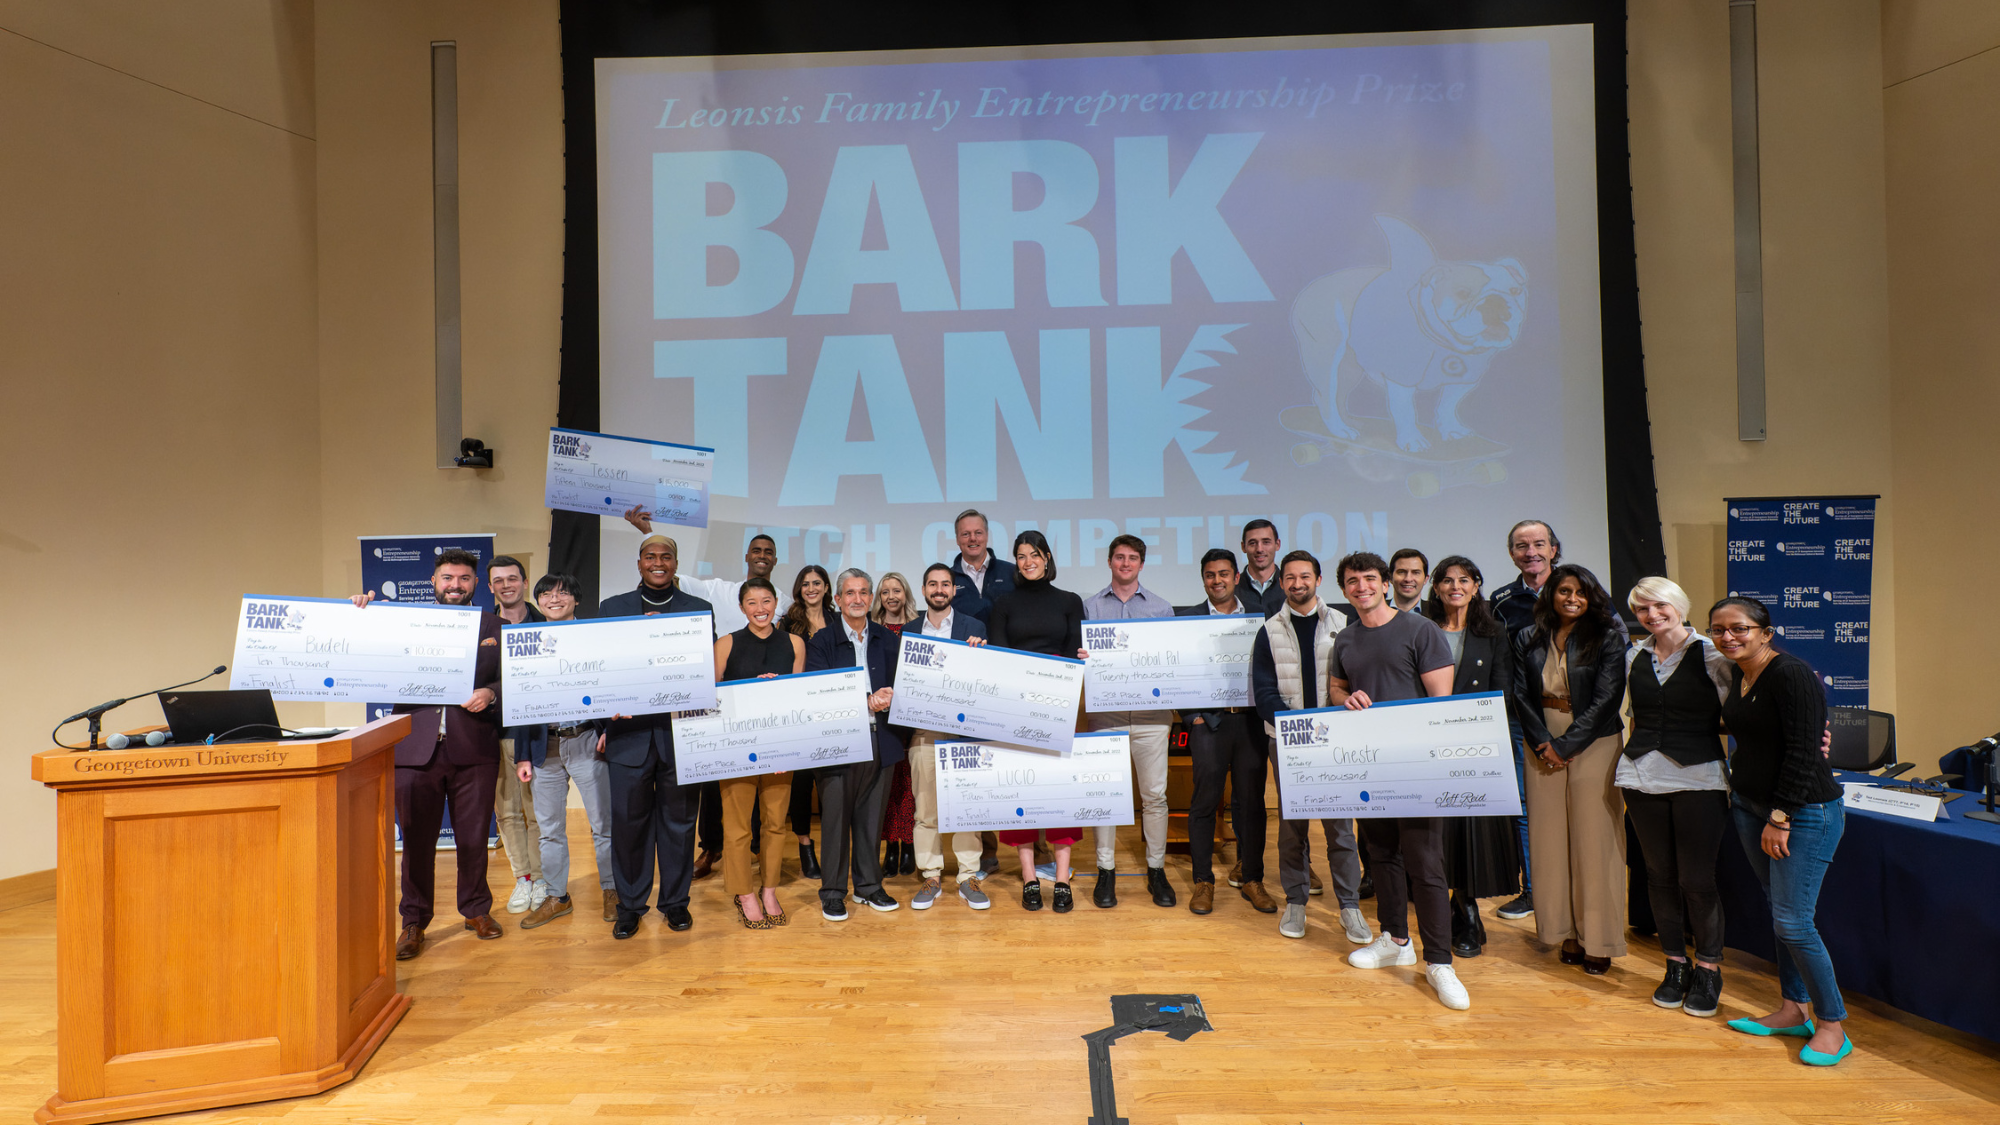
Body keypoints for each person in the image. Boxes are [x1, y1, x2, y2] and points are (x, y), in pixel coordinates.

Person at [1712, 596, 1852, 1065]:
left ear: (1766, 632)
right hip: (1751, 806)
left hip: (1801, 810)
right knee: (1781, 914)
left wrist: (1781, 816)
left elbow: (1804, 751)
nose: (1728, 637)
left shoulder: (1790, 674)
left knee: (1794, 921)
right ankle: (1794, 1009)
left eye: (1739, 628)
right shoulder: (1739, 672)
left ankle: (1832, 1025)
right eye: (1719, 630)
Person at [1327, 552, 1467, 1010]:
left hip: (1416, 765)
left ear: (1386, 584)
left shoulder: (1419, 629)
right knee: (1382, 855)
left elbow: (1439, 700)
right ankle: (1395, 940)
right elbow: (1336, 688)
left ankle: (1440, 962)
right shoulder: (1344, 639)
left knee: (1425, 863)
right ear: (1344, 590)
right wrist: (1348, 699)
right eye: (1352, 581)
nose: (1361, 587)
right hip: (1370, 766)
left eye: (1370, 579)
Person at [350, 549, 505, 960]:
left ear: (476, 584)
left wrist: (491, 692)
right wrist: (360, 613)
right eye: (448, 578)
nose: (456, 585)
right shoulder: (401, 625)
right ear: (433, 582)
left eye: (464, 579)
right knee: (417, 842)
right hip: (415, 751)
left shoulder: (496, 627)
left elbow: (515, 680)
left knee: (474, 839)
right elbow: (362, 649)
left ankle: (476, 911)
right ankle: (413, 922)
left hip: (474, 749)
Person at [620, 514, 790, 882]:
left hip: (768, 706)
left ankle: (759, 858)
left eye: (769, 552)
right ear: (747, 556)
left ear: (775, 561)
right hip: (722, 699)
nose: (762, 555)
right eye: (756, 550)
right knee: (719, 792)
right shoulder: (718, 590)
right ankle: (713, 850)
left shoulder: (786, 601)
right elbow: (670, 575)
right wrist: (649, 534)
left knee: (768, 792)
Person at [1621, 577, 1732, 1017]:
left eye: (1659, 605)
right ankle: (1675, 966)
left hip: (1699, 778)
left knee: (1697, 881)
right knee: (1658, 875)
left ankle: (1708, 969)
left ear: (1679, 605)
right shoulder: (1635, 654)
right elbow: (1635, 715)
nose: (1652, 615)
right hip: (1640, 777)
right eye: (1643, 609)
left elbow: (1737, 712)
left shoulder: (1712, 654)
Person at [1510, 563, 1629, 974]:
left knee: (1594, 842)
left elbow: (1607, 698)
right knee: (1549, 841)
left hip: (1593, 741)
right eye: (1564, 591)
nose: (1572, 598)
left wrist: (1566, 745)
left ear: (1591, 596)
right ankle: (1566, 932)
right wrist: (1544, 741)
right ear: (1551, 595)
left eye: (1581, 591)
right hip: (1540, 740)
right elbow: (1520, 694)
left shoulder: (1609, 637)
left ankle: (1599, 937)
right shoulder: (1529, 636)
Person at [1249, 550, 1372, 944]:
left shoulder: (1346, 623)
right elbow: (1264, 691)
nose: (1297, 583)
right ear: (1281, 582)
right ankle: (1296, 900)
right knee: (1292, 826)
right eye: (1290, 577)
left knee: (1340, 830)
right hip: (1288, 743)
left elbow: (1356, 682)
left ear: (1318, 580)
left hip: (1337, 743)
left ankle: (1349, 906)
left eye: (1305, 576)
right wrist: (1296, 729)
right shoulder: (1268, 630)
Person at [598, 534, 714, 939]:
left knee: (680, 824)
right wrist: (602, 722)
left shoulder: (698, 611)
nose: (658, 562)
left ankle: (676, 903)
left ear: (676, 563)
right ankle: (630, 905)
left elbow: (704, 672)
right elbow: (600, 671)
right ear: (639, 563)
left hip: (680, 735)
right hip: (628, 737)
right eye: (651, 556)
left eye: (666, 556)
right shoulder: (612, 610)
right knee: (629, 824)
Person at [1422, 556, 1523, 958]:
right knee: (1438, 830)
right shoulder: (1421, 629)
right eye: (1446, 581)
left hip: (1476, 746)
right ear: (1436, 588)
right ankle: (1446, 908)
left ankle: (1466, 911)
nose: (1455, 587)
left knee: (1471, 830)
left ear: (1477, 585)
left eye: (1464, 580)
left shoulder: (1493, 632)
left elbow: (1504, 690)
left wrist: (1470, 728)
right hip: (1429, 745)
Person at [510, 573, 617, 931]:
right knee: (550, 829)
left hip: (588, 739)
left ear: (575, 599)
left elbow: (612, 686)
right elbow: (521, 701)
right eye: (546, 594)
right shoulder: (527, 643)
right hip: (546, 748)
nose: (554, 599)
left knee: (603, 824)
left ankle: (612, 890)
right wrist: (522, 754)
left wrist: (609, 731)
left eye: (563, 593)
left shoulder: (594, 640)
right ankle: (557, 896)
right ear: (537, 600)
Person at [987, 530, 1085, 912]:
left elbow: (1076, 655)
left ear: (1047, 557)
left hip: (1060, 706)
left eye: (1034, 554)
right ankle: (1029, 876)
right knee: (1020, 792)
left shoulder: (1070, 601)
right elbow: (999, 657)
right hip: (1015, 709)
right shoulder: (1003, 603)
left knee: (1061, 792)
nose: (1028, 561)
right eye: (1021, 555)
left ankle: (1061, 879)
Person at [804, 568, 908, 920]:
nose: (858, 599)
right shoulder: (820, 642)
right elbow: (819, 694)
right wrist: (866, 701)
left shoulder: (887, 638)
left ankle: (868, 886)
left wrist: (896, 696)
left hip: (882, 740)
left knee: (870, 820)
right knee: (834, 819)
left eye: (864, 592)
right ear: (838, 600)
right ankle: (833, 891)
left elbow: (903, 684)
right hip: (839, 743)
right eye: (850, 593)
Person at [1081, 534, 1179, 909]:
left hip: (1152, 717)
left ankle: (1156, 869)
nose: (1125, 563)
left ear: (1141, 564)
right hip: (1106, 715)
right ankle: (1106, 871)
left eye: (1132, 558)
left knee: (1155, 796)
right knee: (1104, 795)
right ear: (1109, 562)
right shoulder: (1090, 608)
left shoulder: (1162, 608)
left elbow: (1171, 662)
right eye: (1119, 557)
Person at [1175, 549, 1267, 917]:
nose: (1217, 581)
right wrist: (1191, 716)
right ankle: (1203, 881)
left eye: (1224, 574)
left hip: (1248, 722)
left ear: (1236, 577)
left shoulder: (1259, 620)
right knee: (1203, 802)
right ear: (1203, 580)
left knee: (1252, 804)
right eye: (1210, 575)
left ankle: (1252, 877)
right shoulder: (1188, 620)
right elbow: (1176, 672)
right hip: (1208, 723)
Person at [714, 577, 807, 929]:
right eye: (751, 602)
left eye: (766, 600)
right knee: (738, 827)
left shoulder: (794, 643)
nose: (760, 608)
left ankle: (769, 889)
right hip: (737, 746)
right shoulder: (726, 643)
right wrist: (750, 691)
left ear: (775, 603)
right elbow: (713, 698)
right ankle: (744, 892)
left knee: (775, 824)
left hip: (780, 746)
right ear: (741, 608)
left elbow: (799, 695)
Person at [905, 563, 993, 911]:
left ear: (954, 590)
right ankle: (930, 874)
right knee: (926, 809)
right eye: (932, 584)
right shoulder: (910, 631)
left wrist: (980, 654)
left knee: (967, 808)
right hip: (923, 732)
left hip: (964, 732)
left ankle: (969, 874)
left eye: (945, 584)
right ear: (924, 589)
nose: (939, 589)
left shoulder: (975, 628)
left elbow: (988, 679)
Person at [1489, 519, 1559, 921]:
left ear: (1553, 548)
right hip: (1518, 720)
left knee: (1573, 807)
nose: (1530, 552)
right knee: (1522, 807)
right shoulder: (1500, 602)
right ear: (1512, 553)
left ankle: (1571, 889)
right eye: (1520, 545)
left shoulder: (1578, 589)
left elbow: (1612, 647)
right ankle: (1532, 890)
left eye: (1538, 544)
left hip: (1572, 719)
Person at [486, 555, 548, 915]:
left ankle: (541, 878)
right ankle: (522, 879)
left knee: (537, 811)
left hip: (536, 733)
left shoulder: (545, 622)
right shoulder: (482, 626)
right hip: (493, 732)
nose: (506, 585)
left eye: (512, 578)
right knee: (507, 812)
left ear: (525, 582)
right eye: (499, 580)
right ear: (491, 586)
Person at [781, 564, 835, 879]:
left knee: (830, 784)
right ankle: (805, 845)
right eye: (805, 584)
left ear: (827, 587)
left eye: (817, 583)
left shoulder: (839, 621)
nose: (811, 588)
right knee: (801, 784)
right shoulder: (787, 623)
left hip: (831, 715)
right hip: (799, 716)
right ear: (799, 589)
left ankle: (832, 847)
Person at [872, 572, 920, 879]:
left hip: (914, 716)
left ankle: (912, 847)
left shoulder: (919, 628)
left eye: (896, 590)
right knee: (888, 786)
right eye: (885, 591)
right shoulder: (872, 630)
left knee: (912, 785)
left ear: (906, 594)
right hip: (884, 715)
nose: (891, 596)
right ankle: (891, 846)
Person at [948, 508, 1017, 623]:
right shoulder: (947, 579)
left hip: (1002, 641)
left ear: (987, 536)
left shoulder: (1011, 572)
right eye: (965, 534)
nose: (973, 538)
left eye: (978, 533)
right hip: (964, 641)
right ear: (957, 540)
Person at [1235, 519, 1286, 617]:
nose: (1259, 549)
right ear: (1243, 547)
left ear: (1277, 544)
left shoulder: (1290, 587)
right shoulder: (1232, 590)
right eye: (1253, 543)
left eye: (1266, 542)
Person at [1389, 548, 1429, 614]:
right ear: (1390, 577)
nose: (1408, 579)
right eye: (1401, 572)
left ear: (1425, 579)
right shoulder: (1374, 611)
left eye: (1416, 573)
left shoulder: (1439, 614)